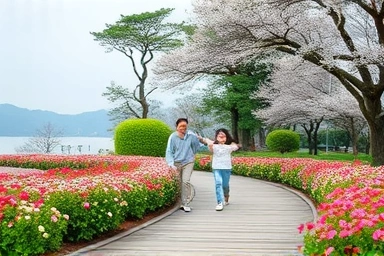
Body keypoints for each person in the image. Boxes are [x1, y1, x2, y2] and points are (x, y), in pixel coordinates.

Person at [165, 118, 202, 212]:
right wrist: (170, 163)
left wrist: (196, 139)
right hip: (176, 162)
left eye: (185, 126)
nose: (183, 128)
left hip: (188, 161)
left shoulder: (190, 135)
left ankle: (185, 203)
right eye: (181, 126)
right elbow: (169, 150)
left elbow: (196, 146)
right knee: (178, 182)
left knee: (185, 181)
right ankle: (179, 202)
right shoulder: (173, 137)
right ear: (177, 127)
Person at [202, 128, 240, 211]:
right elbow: (209, 147)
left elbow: (236, 146)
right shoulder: (213, 146)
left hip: (226, 168)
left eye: (224, 136)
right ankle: (219, 202)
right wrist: (209, 143)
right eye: (220, 136)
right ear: (216, 137)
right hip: (216, 167)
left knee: (225, 185)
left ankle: (226, 195)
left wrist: (230, 143)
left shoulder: (230, 147)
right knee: (218, 183)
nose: (222, 137)